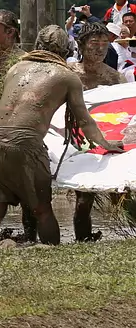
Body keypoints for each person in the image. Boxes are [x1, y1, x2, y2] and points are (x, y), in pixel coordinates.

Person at [0, 25, 124, 246]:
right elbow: (84, 120)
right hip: (25, 143)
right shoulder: (67, 76)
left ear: (37, 45)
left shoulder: (16, 68)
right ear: (69, 48)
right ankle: (52, 251)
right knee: (42, 208)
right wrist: (106, 143)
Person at [66, 22, 124, 242]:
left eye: (104, 44)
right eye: (94, 43)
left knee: (122, 192)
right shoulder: (69, 73)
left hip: (109, 140)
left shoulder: (115, 78)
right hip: (77, 140)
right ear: (81, 45)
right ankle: (83, 241)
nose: (100, 49)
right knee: (84, 197)